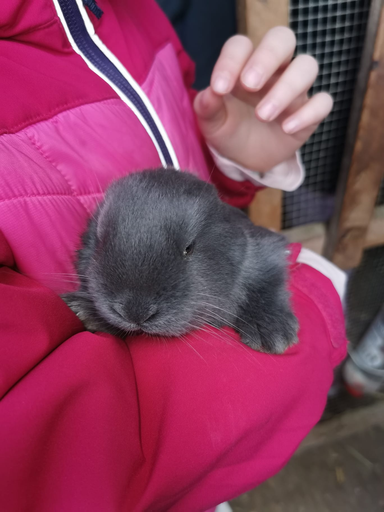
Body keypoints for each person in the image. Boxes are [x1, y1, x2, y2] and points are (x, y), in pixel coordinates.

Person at [0, 1, 347, 511]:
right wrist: (314, 296)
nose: (136, 311)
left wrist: (231, 161)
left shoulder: (140, 12)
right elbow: (50, 457)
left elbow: (187, 184)